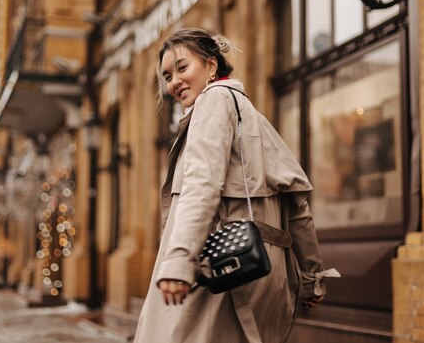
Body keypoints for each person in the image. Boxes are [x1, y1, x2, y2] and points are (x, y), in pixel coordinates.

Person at [134, 28, 334, 343]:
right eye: (167, 75)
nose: (173, 82)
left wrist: (178, 261)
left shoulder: (212, 101)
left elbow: (201, 184)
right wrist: (311, 278)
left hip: (221, 272)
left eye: (182, 68)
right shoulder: (252, 116)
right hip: (263, 272)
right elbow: (297, 208)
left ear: (212, 65)